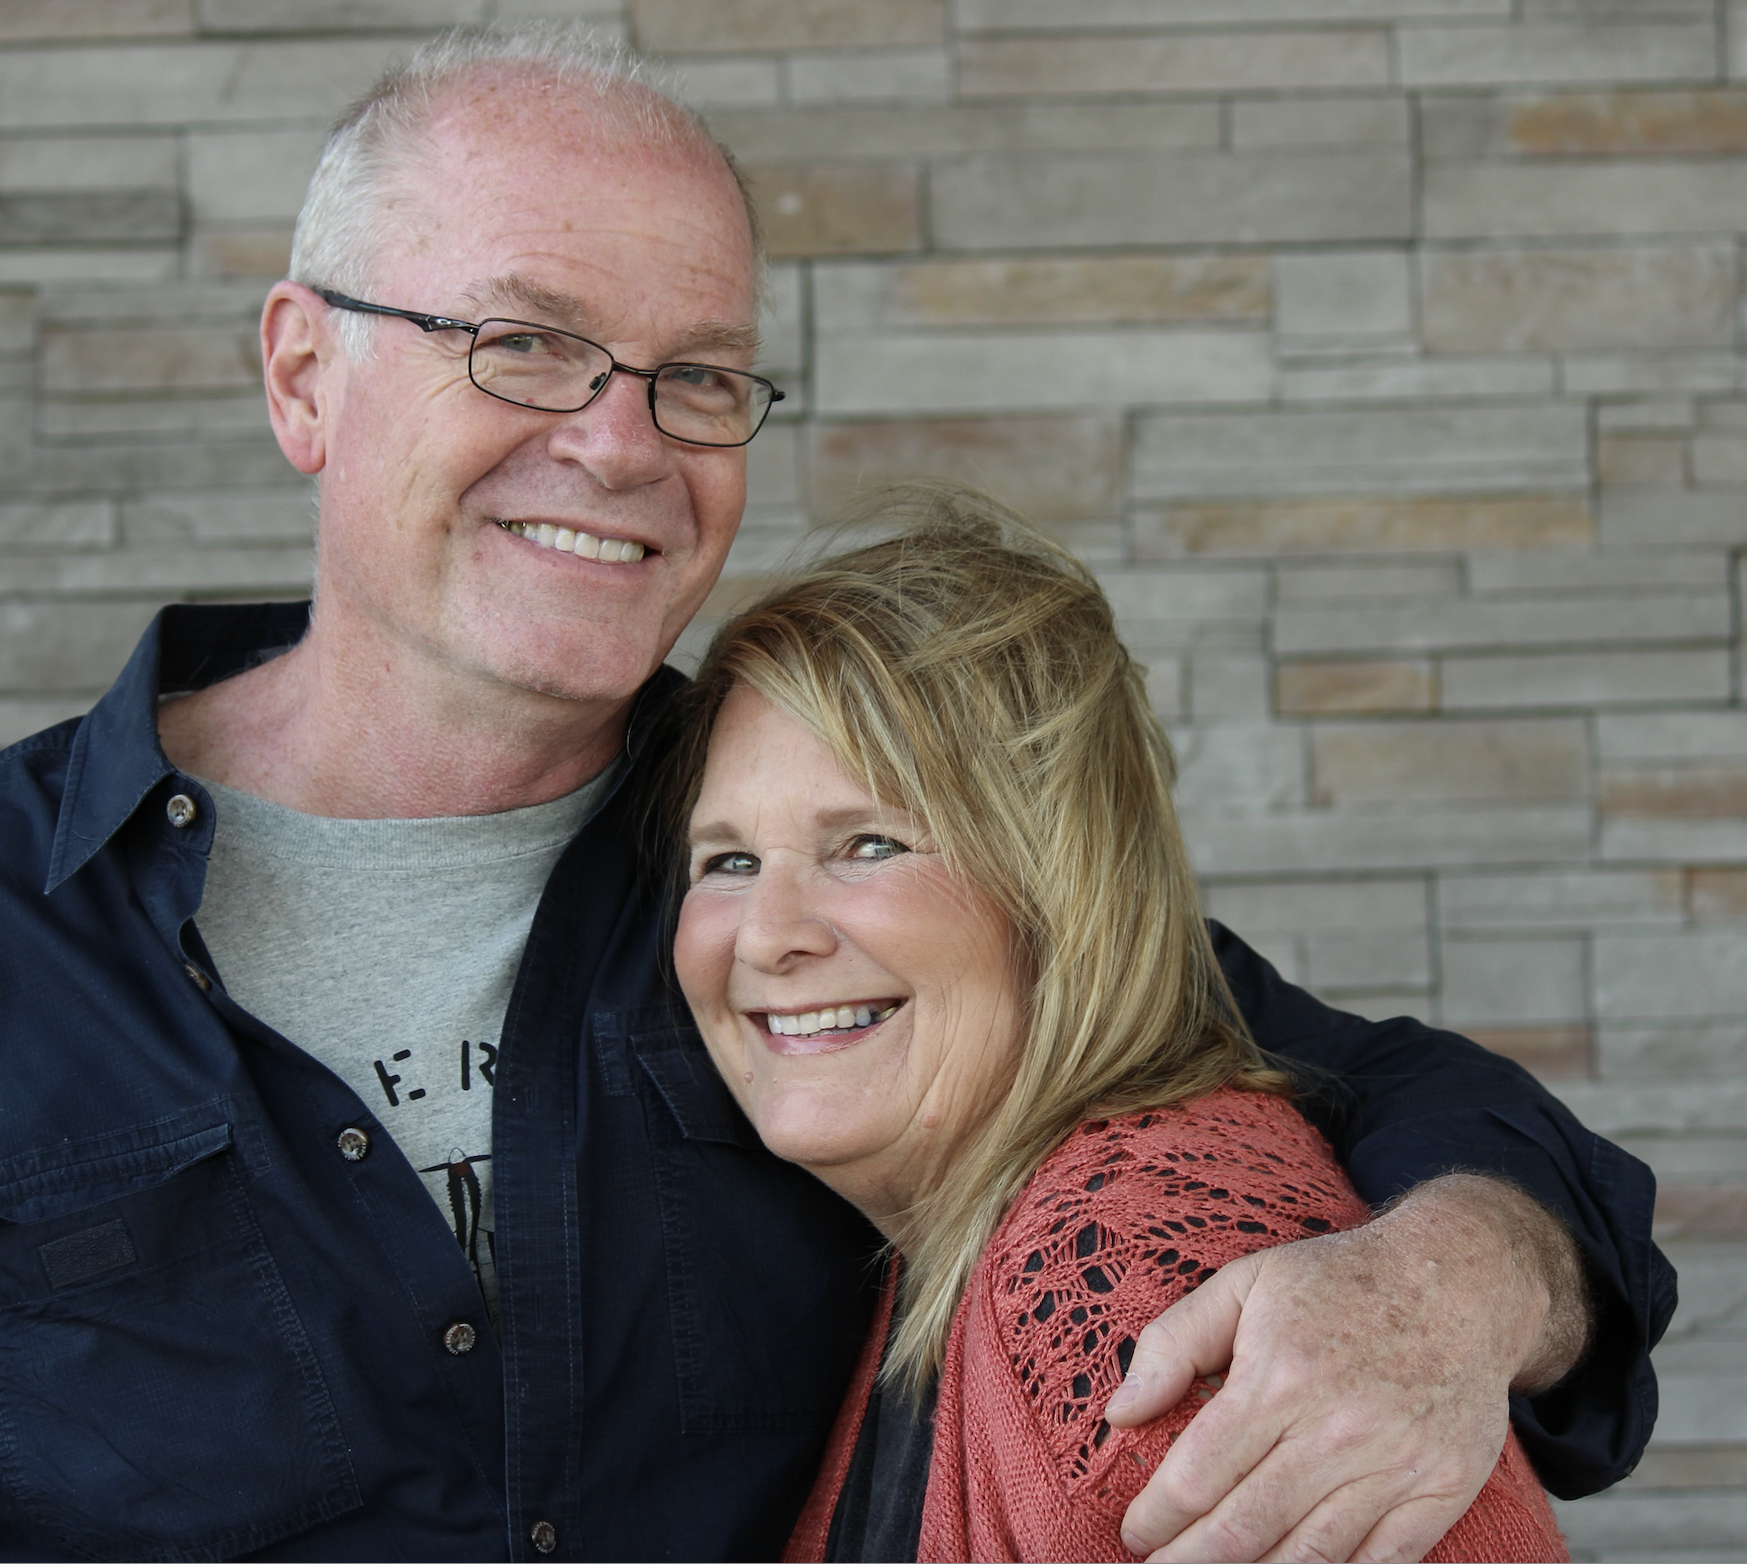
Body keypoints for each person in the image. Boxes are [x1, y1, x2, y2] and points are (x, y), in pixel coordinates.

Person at [0, 26, 1668, 1564]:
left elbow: (1382, 1104)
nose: (622, 441)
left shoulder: (821, 876)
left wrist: (1436, 1283)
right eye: (525, 343)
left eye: (699, 374)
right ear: (301, 377)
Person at [666, 490, 1572, 1562]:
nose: (765, 936)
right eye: (727, 860)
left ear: (1057, 892)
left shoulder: (1128, 1290)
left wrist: (1470, 1265)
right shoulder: (952, 1220)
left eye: (866, 842)